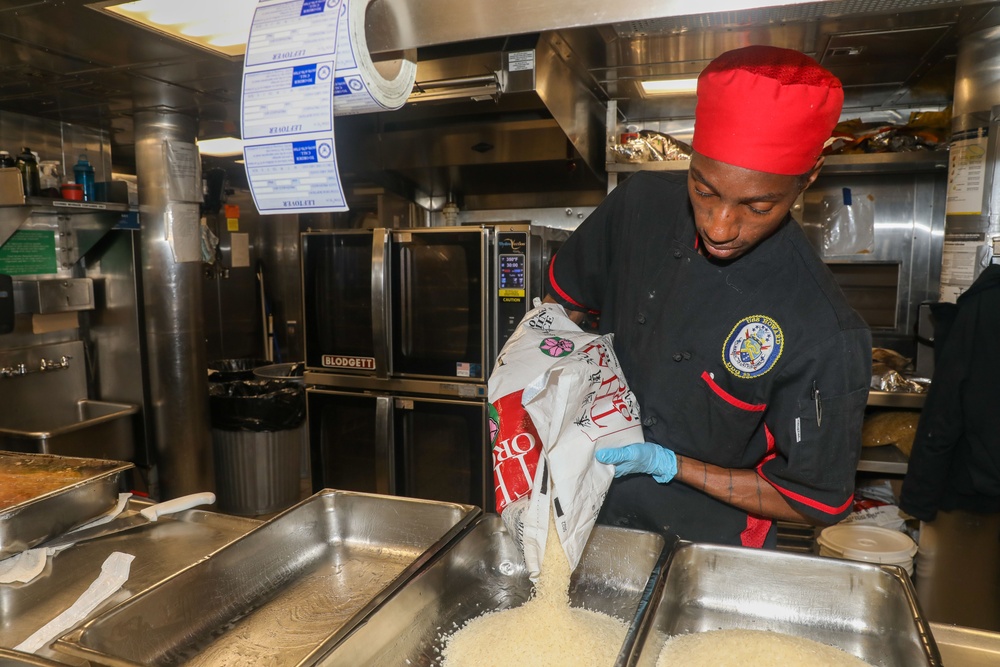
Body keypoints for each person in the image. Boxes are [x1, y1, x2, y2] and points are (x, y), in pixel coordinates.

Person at [545, 45, 872, 548]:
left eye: (757, 206)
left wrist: (672, 466)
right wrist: (536, 389)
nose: (720, 227)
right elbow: (565, 307)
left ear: (808, 179)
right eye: (704, 190)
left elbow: (812, 502)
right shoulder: (640, 204)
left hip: (703, 549)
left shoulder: (824, 328)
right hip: (577, 510)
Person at [899, 263, 1000, 630]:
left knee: (960, 626)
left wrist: (917, 500)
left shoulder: (984, 305)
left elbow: (946, 411)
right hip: (979, 495)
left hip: (974, 496)